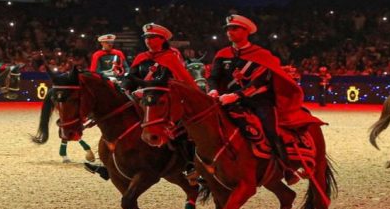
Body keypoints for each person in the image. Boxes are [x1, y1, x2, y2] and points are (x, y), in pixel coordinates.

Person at [207, 14, 305, 184]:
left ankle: (287, 169)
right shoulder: (223, 54)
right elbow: (214, 76)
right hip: (225, 100)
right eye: (228, 29)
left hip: (258, 101)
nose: (230, 32)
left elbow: (260, 82)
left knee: (271, 131)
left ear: (246, 31)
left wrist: (236, 95)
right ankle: (198, 167)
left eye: (234, 28)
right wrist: (213, 90)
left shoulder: (261, 55)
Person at [125, 23, 199, 182]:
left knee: (183, 128)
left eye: (152, 37)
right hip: (143, 100)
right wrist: (126, 88)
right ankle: (111, 159)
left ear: (162, 39)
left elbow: (179, 81)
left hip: (165, 100)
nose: (148, 40)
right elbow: (131, 77)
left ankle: (191, 163)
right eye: (146, 37)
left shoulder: (170, 57)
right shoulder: (141, 57)